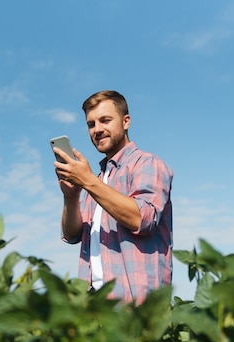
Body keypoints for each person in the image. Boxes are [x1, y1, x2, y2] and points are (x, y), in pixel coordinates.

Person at [53, 90, 173, 305]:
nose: (97, 129)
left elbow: (142, 219)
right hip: (95, 307)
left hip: (137, 308)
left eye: (105, 120)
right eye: (91, 124)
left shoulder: (147, 164)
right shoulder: (98, 179)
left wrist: (88, 181)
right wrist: (71, 197)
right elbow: (72, 235)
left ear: (126, 122)